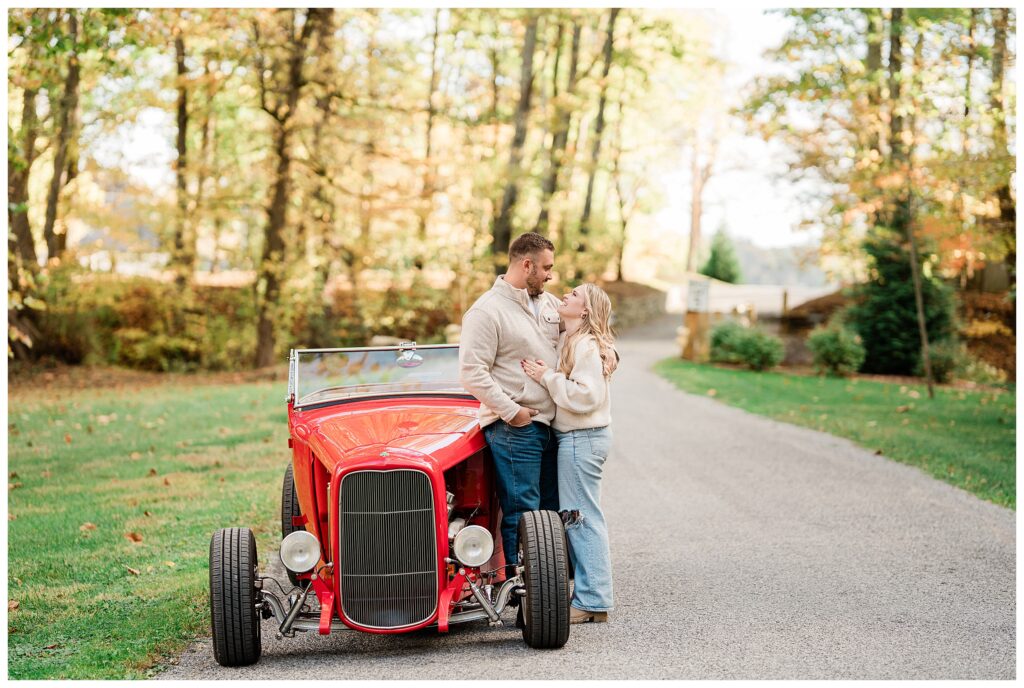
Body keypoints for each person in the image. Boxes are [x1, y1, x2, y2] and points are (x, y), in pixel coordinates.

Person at [458, 232, 562, 575]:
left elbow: (582, 332)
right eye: (546, 267)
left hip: (552, 426)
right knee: (523, 513)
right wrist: (512, 412)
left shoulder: (549, 304)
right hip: (515, 429)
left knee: (551, 510)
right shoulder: (486, 311)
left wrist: (607, 352)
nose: (550, 274)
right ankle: (523, 596)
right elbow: (472, 373)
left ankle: (549, 588)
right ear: (526, 264)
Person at [521, 283, 615, 624]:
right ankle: (593, 598)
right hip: (579, 439)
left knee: (581, 519)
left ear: (586, 311)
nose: (565, 296)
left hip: (582, 438)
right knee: (580, 517)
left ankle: (592, 600)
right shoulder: (573, 340)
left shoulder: (587, 346)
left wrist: (547, 376)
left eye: (574, 295)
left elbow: (586, 397)